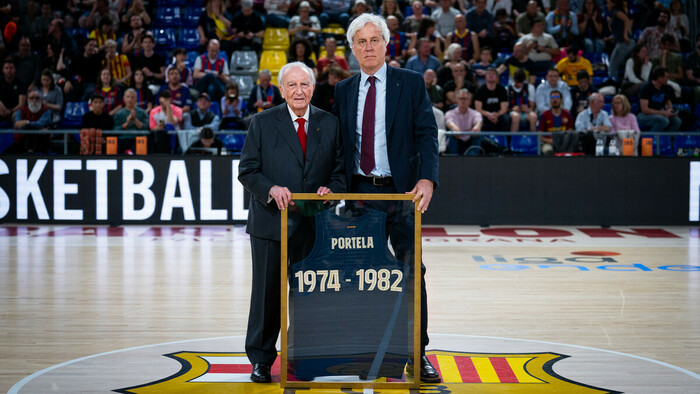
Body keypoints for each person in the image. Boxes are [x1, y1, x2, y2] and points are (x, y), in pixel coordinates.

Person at [333, 13, 441, 384]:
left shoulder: (410, 83)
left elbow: (427, 133)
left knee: (413, 273)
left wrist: (427, 179)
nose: (368, 47)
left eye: (374, 39)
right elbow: (338, 146)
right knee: (364, 276)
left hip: (404, 193)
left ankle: (417, 353)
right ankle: (370, 351)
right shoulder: (344, 90)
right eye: (361, 41)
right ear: (352, 49)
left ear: (386, 43)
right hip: (360, 196)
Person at [239, 61, 345, 384]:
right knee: (267, 295)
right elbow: (247, 170)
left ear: (313, 88)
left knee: (307, 295)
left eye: (305, 85)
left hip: (313, 224)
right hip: (271, 224)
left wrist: (334, 190)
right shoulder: (261, 122)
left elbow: (340, 172)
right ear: (281, 89)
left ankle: (304, 356)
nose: (299, 91)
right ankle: (260, 359)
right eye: (292, 85)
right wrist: (270, 189)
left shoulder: (330, 124)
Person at [637, 66, 680, 132]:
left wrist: (670, 110)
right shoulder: (646, 88)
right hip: (644, 115)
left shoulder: (666, 87)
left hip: (660, 113)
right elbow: (644, 110)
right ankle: (649, 139)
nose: (668, 79)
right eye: (666, 77)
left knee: (677, 121)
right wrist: (663, 113)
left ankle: (665, 140)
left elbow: (668, 102)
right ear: (659, 78)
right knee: (663, 120)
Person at [10, 90, 52, 154]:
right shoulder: (21, 110)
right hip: (22, 140)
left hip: (41, 140)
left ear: (41, 100)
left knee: (31, 130)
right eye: (32, 98)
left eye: (37, 98)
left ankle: (30, 153)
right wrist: (37, 127)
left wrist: (27, 122)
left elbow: (41, 123)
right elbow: (18, 125)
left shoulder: (46, 111)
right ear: (27, 99)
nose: (34, 101)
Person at [445, 88, 483, 154]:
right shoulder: (450, 113)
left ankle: (473, 159)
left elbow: (478, 121)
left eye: (465, 99)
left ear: (469, 100)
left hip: (470, 140)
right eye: (460, 98)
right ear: (457, 100)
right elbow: (449, 122)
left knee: (478, 135)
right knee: (452, 133)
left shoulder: (475, 113)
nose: (463, 101)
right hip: (457, 139)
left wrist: (477, 126)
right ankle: (453, 158)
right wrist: (454, 128)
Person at [538, 89, 574, 154]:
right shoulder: (544, 115)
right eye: (552, 97)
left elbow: (570, 132)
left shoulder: (568, 115)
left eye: (557, 97)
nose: (554, 100)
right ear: (550, 100)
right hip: (549, 143)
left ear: (561, 100)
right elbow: (540, 136)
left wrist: (563, 142)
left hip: (564, 143)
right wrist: (552, 141)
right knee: (547, 150)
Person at [605, 0, 634, 81]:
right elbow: (615, 31)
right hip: (621, 42)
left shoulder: (617, 12)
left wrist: (625, 35)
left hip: (624, 43)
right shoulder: (612, 14)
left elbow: (627, 20)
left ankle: (612, 84)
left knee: (613, 66)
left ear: (614, 3)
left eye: (608, 2)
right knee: (627, 65)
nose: (607, 5)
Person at [474, 67, 510, 131]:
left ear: (497, 77)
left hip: (498, 114)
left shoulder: (502, 90)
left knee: (506, 118)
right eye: (488, 74)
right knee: (478, 119)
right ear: (485, 77)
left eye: (493, 74)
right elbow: (478, 109)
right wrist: (489, 115)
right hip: (485, 113)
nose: (490, 75)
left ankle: (505, 139)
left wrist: (496, 115)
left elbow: (504, 108)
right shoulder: (480, 90)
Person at [113, 88, 149, 153]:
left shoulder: (142, 113)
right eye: (128, 97)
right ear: (124, 99)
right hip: (122, 139)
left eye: (132, 97)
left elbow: (146, 128)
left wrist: (135, 119)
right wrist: (127, 123)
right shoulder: (118, 114)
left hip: (138, 139)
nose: (130, 100)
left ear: (136, 99)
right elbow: (115, 130)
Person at [508, 68, 538, 132]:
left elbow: (532, 106)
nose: (519, 85)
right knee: (516, 117)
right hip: (514, 113)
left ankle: (533, 139)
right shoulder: (508, 89)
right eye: (517, 82)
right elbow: (505, 108)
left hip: (526, 113)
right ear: (514, 80)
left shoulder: (530, 87)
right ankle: (513, 140)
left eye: (521, 82)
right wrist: (512, 109)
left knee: (533, 116)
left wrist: (528, 109)